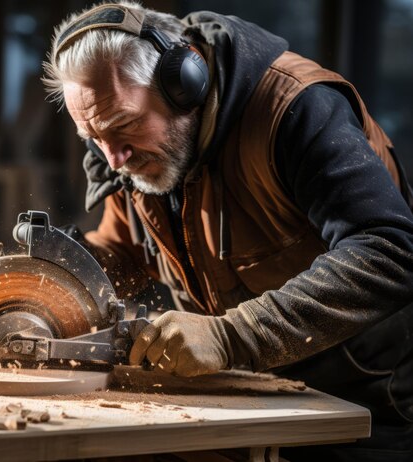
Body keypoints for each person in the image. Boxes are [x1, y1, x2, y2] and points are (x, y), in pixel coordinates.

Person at [42, 2, 413, 460]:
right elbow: (123, 252)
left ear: (183, 85)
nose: (113, 157)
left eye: (125, 126)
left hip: (366, 404)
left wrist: (232, 335)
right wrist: (48, 280)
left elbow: (391, 249)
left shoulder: (294, 109)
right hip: (252, 395)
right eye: (93, 137)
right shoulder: (130, 149)